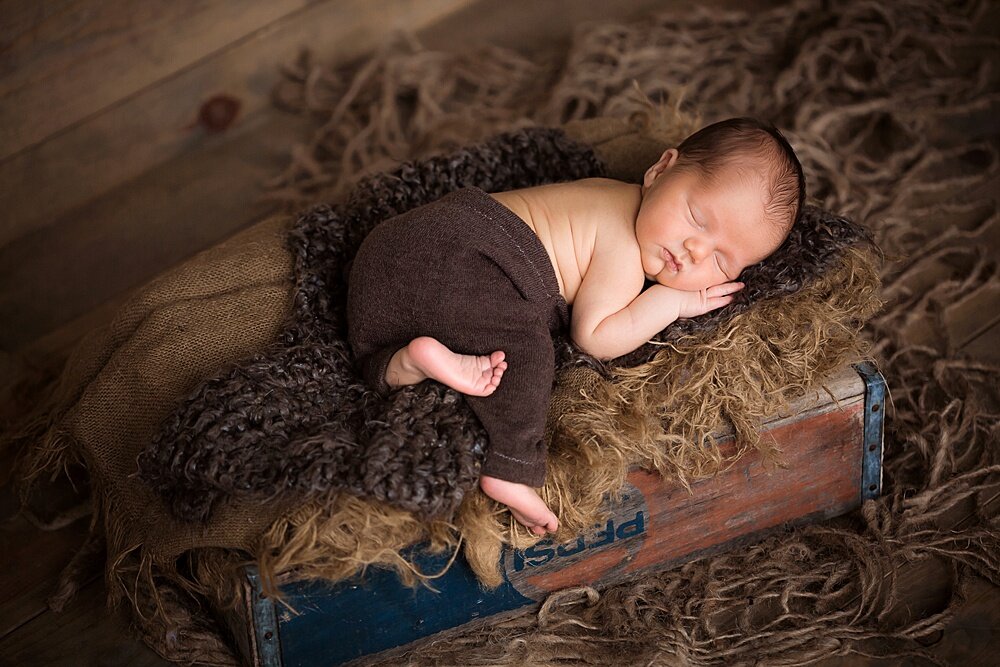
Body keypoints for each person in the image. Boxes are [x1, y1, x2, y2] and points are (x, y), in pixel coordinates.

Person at [346, 117, 805, 536]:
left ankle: (404, 360)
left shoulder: (607, 192)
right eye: (697, 218)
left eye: (722, 261)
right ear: (661, 169)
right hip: (470, 255)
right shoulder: (622, 243)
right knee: (527, 353)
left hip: (387, 257)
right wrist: (669, 302)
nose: (694, 251)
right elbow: (596, 336)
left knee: (406, 342)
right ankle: (510, 467)